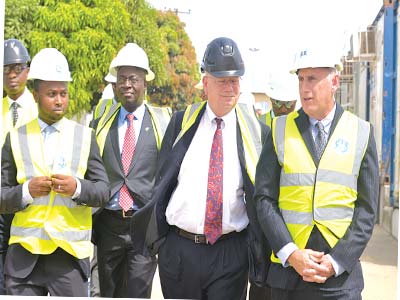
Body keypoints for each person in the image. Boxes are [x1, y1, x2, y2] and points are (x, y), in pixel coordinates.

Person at [132, 37, 271, 300]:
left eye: (235, 80)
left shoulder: (256, 132)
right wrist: (162, 242)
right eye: (222, 81)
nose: (230, 88)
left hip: (230, 253)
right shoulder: (181, 123)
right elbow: (162, 181)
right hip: (180, 252)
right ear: (206, 83)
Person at [254, 46, 379, 300]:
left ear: (334, 82)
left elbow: (367, 209)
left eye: (312, 79)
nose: (304, 88)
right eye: (300, 79)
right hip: (288, 276)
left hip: (340, 280)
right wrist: (290, 253)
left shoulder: (361, 132)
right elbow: (264, 198)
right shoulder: (279, 130)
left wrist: (337, 261)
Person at [0, 47, 110, 296]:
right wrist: (27, 192)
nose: (59, 100)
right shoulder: (15, 138)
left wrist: (77, 188)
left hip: (69, 259)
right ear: (35, 94)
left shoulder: (84, 137)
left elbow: (103, 191)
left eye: (63, 93)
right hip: (24, 259)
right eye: (51, 94)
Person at [91, 42, 171, 298]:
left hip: (143, 227)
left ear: (145, 83)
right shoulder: (101, 121)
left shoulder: (162, 122)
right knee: (108, 291)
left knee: (138, 292)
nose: (127, 84)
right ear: (114, 83)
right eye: (121, 78)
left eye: (133, 79)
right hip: (108, 225)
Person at [249, 71, 298, 300]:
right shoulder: (259, 127)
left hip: (291, 216)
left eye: (288, 104)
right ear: (270, 100)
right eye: (278, 103)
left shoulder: (302, 126)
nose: (283, 109)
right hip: (262, 211)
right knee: (260, 278)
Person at [0, 38, 37, 295]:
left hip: (27, 207)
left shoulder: (39, 110)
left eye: (17, 68)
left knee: (20, 281)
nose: (11, 75)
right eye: (5, 69)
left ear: (28, 70)